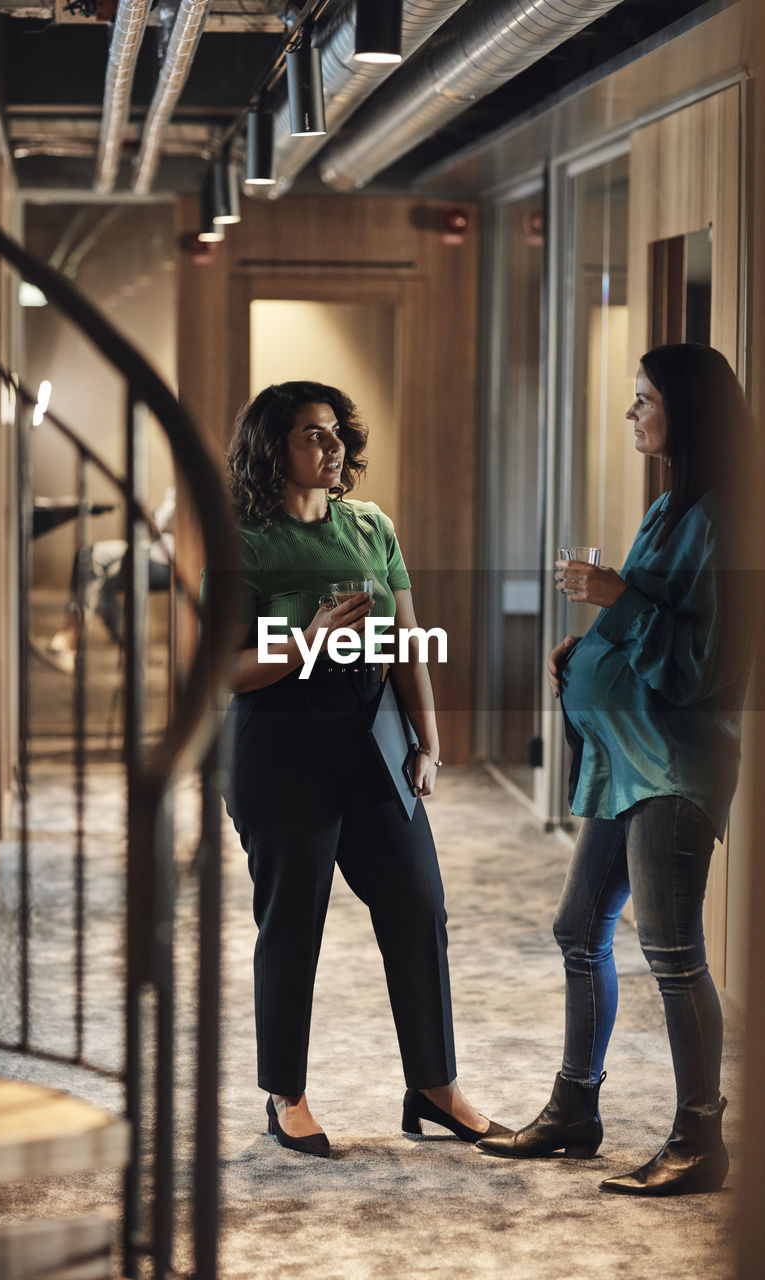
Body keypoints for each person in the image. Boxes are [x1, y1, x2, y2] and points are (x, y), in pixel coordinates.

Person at [478, 344, 754, 1196]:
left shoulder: (727, 518)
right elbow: (645, 617)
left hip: (673, 767)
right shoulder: (669, 506)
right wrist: (586, 642)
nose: (632, 414)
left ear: (688, 411)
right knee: (576, 930)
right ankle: (574, 1110)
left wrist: (612, 601)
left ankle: (699, 1139)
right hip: (621, 758)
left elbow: (701, 667)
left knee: (671, 953)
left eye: (644, 400)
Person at [222, 380, 509, 1158]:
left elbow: (407, 640)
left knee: (418, 905)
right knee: (294, 923)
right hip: (281, 741)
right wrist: (309, 636)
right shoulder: (241, 539)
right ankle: (285, 1095)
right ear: (272, 448)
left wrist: (428, 740)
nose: (333, 447)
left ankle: (434, 1088)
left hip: (373, 734)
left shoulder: (370, 524)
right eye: (313, 435)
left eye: (336, 433)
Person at [38, 487, 176, 674]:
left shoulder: (191, 484)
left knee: (92, 558)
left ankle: (69, 642)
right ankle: (137, 650)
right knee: (96, 578)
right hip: (154, 551)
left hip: (165, 559)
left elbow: (165, 522)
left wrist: (153, 517)